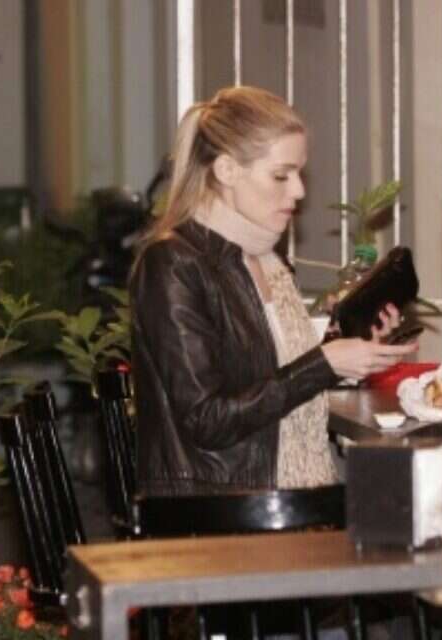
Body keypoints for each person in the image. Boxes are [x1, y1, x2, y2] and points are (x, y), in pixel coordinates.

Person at [130, 86, 415, 497]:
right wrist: (324, 364)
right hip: (219, 508)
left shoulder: (266, 258)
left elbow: (274, 372)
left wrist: (353, 347)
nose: (298, 191)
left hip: (277, 494)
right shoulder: (172, 263)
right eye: (281, 175)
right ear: (226, 170)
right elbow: (207, 420)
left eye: (299, 174)